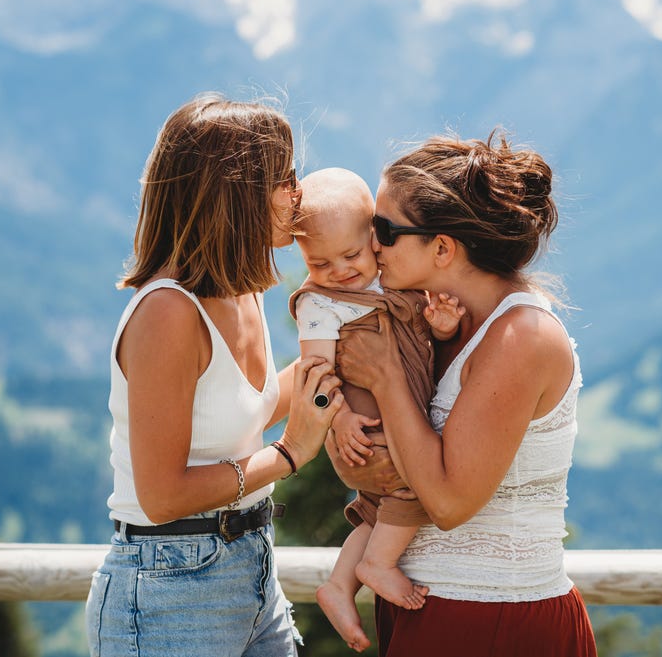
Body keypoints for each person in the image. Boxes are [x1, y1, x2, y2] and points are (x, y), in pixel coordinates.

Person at [85, 94, 345, 657]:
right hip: (168, 590)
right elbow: (161, 495)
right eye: (286, 177)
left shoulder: (240, 291)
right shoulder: (168, 313)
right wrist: (292, 452)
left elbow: (251, 403)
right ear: (241, 194)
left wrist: (359, 339)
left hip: (252, 568)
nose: (298, 194)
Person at [331, 130, 598, 656]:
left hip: (498, 621)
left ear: (443, 247)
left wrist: (385, 379)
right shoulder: (437, 321)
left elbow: (451, 503)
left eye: (383, 229)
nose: (371, 245)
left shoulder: (522, 338)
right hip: (432, 610)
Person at [286, 168, 464, 652]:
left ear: (374, 238)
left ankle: (339, 585)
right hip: (361, 430)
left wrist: (444, 328)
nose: (339, 271)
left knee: (375, 512)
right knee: (419, 485)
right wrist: (338, 418)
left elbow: (426, 345)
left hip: (391, 424)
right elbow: (315, 373)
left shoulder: (394, 281)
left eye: (350, 255)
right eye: (319, 263)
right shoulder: (321, 304)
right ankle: (377, 566)